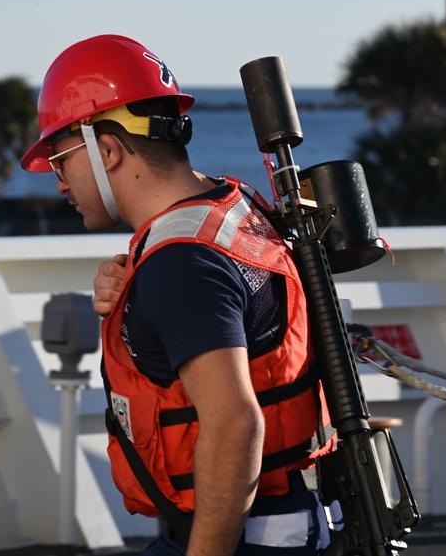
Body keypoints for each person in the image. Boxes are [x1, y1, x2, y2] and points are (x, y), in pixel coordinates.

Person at [21, 35, 335, 555]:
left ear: (107, 151)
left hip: (246, 537)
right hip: (291, 519)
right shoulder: (232, 207)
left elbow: (235, 424)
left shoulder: (179, 263)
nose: (59, 184)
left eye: (61, 162)